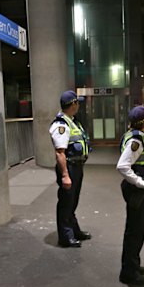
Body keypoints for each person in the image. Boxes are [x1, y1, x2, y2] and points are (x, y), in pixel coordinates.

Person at [116, 106, 144, 285]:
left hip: (138, 189)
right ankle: (128, 272)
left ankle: (133, 265)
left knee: (137, 229)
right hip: (137, 190)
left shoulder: (134, 135)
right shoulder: (136, 141)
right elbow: (122, 166)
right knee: (135, 230)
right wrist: (141, 183)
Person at [49, 90, 92, 247]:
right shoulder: (61, 125)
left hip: (77, 167)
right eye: (77, 102)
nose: (79, 105)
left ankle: (74, 230)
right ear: (73, 104)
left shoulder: (72, 121)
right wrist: (65, 175)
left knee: (72, 202)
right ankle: (66, 237)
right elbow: (60, 153)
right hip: (69, 168)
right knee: (66, 203)